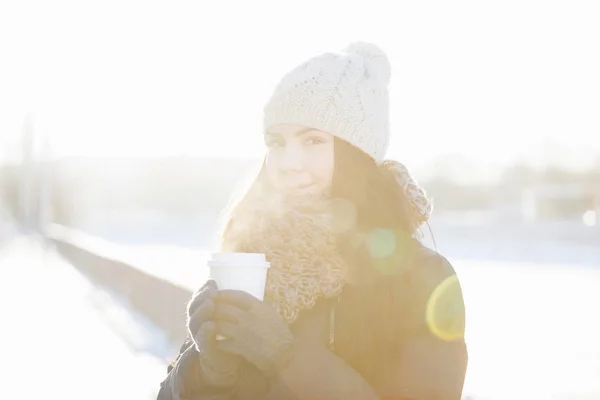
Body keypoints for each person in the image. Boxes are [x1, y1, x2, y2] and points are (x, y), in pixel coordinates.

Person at [158, 42, 468, 400]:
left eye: (313, 141)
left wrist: (284, 355)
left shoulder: (421, 276)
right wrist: (207, 371)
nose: (290, 162)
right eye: (277, 142)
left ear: (357, 156)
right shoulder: (250, 255)